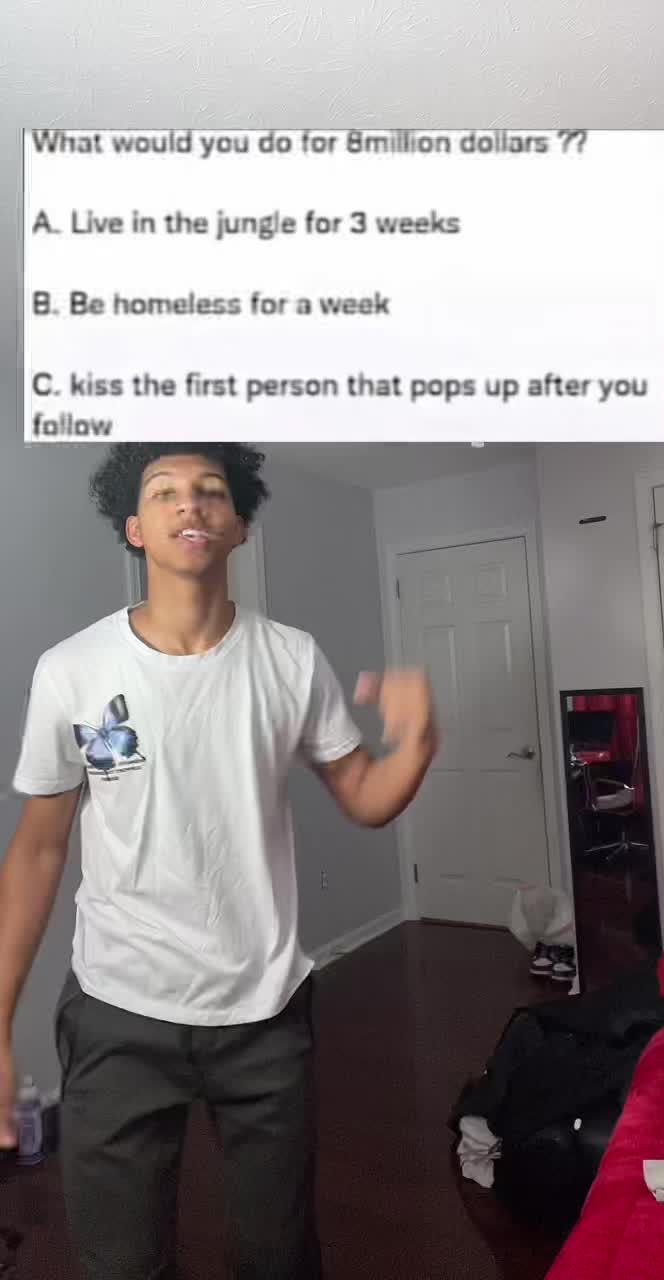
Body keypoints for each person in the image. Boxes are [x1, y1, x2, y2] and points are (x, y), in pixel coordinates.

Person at [0, 443, 437, 1279]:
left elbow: (363, 795)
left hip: (262, 1011)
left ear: (238, 526)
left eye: (211, 491)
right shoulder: (72, 670)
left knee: (279, 1257)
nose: (189, 503)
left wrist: (416, 743)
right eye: (163, 491)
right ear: (134, 528)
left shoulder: (290, 658)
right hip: (117, 1011)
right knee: (120, 1263)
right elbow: (37, 850)